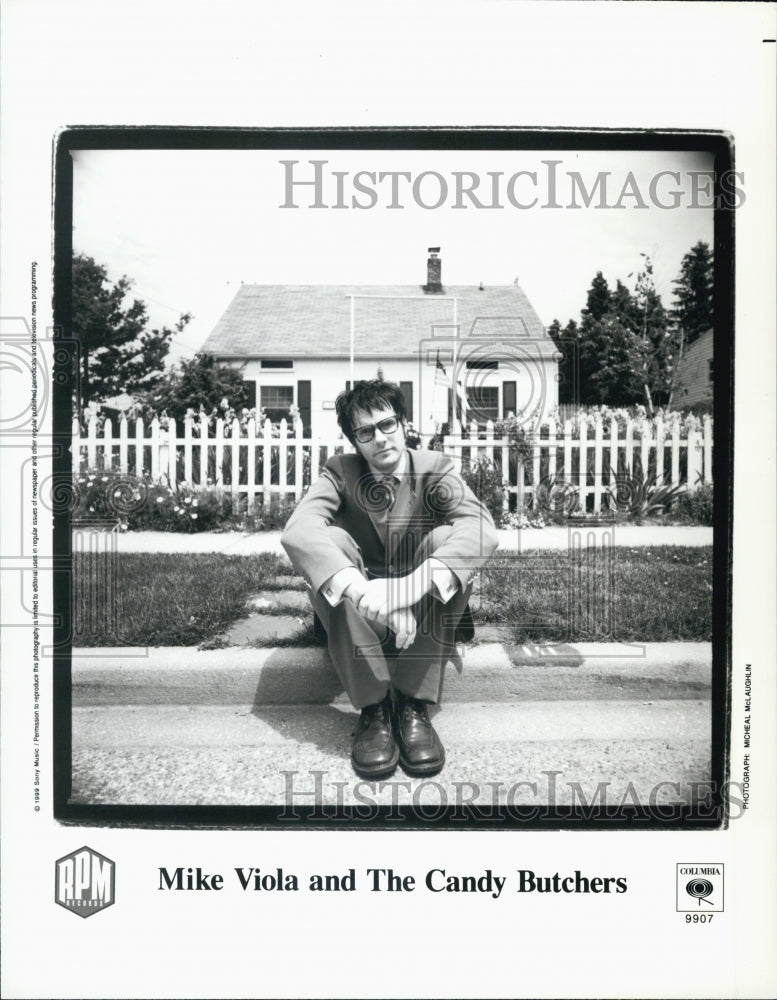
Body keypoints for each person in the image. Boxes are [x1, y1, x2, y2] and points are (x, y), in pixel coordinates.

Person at [281, 379, 499, 779]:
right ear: (354, 441)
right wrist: (368, 595)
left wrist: (408, 589)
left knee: (447, 539)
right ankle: (374, 708)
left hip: (424, 606)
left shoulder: (435, 468)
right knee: (330, 542)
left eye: (387, 424)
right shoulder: (340, 472)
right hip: (359, 613)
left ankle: (413, 703)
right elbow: (299, 530)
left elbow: (481, 527)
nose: (380, 438)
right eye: (365, 432)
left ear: (403, 424)